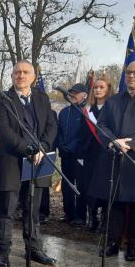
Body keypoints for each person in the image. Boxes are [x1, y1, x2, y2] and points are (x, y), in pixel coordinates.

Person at [90, 60, 135, 261]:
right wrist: (114, 141)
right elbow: (101, 125)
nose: (131, 76)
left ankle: (134, 245)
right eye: (128, 72)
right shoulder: (114, 101)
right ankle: (112, 242)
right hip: (115, 158)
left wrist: (129, 143)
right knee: (115, 204)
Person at [0, 60, 57, 267]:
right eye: (17, 72)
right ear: (12, 76)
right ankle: (3, 251)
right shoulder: (3, 99)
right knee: (7, 210)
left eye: (25, 72)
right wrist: (28, 149)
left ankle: (34, 249)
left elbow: (51, 125)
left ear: (33, 76)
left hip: (37, 162)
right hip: (11, 160)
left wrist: (43, 147)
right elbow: (3, 130)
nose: (21, 75)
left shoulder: (42, 98)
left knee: (33, 209)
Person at [80, 76, 113, 231]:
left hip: (105, 152)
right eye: (96, 87)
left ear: (108, 90)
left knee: (105, 186)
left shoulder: (113, 109)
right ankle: (92, 216)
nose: (98, 90)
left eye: (102, 87)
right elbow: (82, 132)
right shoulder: (87, 109)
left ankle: (106, 219)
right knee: (88, 184)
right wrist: (80, 153)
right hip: (90, 153)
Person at [56, 83, 89, 226]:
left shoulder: (86, 112)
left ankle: (80, 216)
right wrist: (61, 145)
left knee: (80, 185)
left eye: (75, 93)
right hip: (65, 154)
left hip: (80, 154)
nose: (72, 95)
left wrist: (72, 146)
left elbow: (84, 135)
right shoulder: (63, 112)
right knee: (67, 184)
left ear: (84, 95)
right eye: (71, 93)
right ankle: (68, 213)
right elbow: (59, 132)